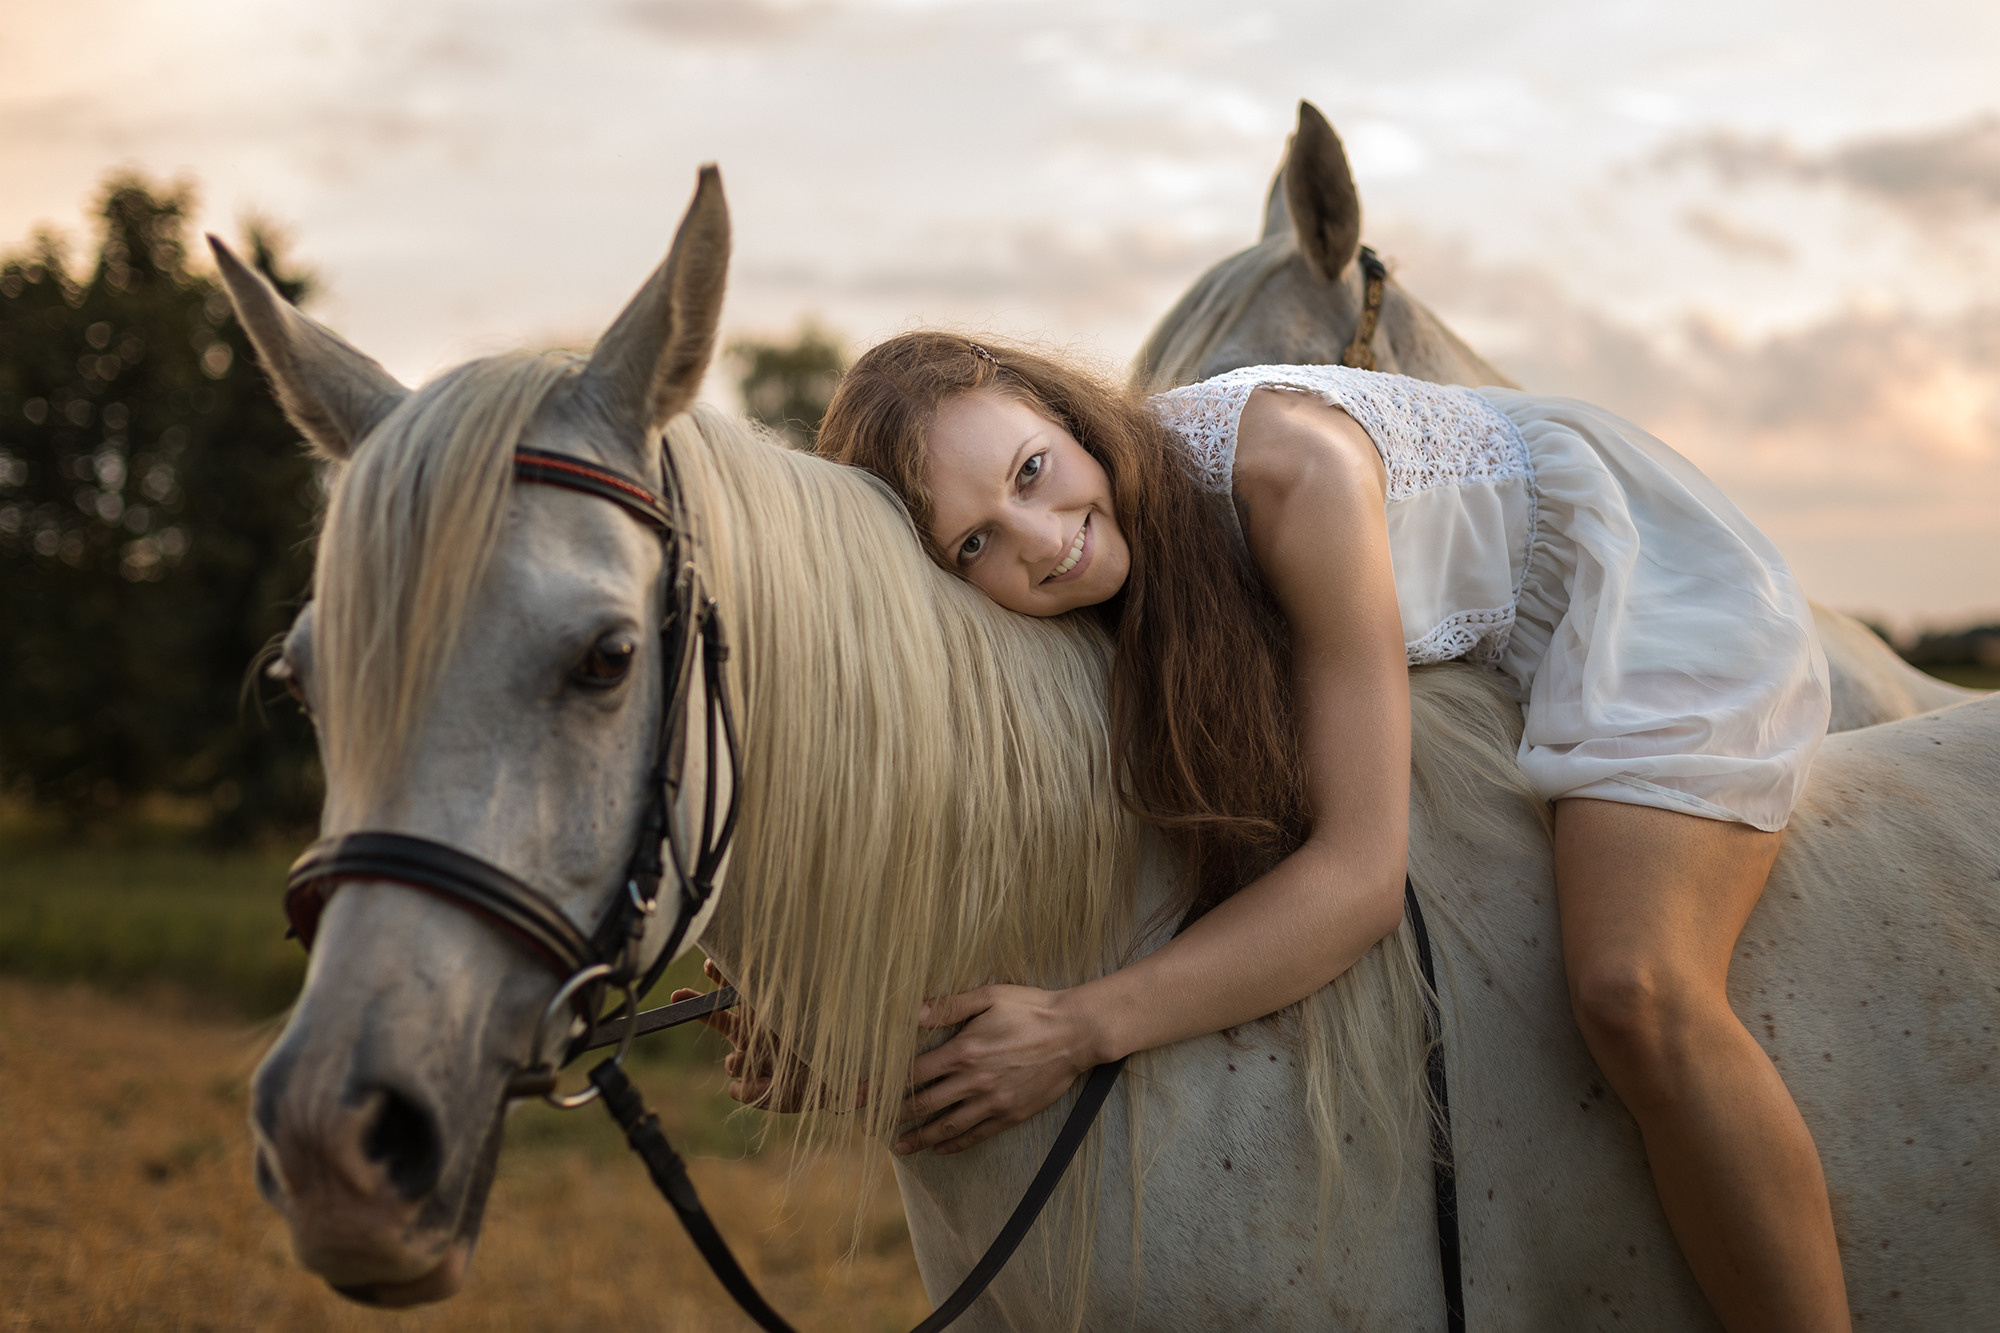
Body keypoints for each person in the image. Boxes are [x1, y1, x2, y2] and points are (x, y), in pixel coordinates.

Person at [686, 332, 1848, 1331]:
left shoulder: (1291, 471)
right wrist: (837, 1012)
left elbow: (1353, 885)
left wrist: (1077, 1029)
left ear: (1060, 409)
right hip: (1434, 628)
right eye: (973, 542)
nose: (1039, 541)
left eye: (1031, 471)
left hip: (1624, 577)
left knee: (1632, 988)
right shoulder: (1069, 574)